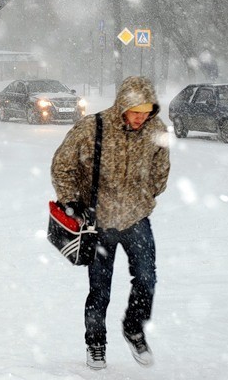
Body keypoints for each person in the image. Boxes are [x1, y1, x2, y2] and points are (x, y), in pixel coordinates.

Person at [51, 76, 170, 371]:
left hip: (135, 219)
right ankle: (95, 343)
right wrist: (70, 200)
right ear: (122, 107)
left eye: (146, 111)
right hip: (99, 222)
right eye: (135, 111)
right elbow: (62, 164)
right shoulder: (93, 127)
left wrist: (144, 197)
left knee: (147, 278)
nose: (141, 117)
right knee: (100, 288)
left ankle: (134, 329)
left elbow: (161, 170)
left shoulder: (156, 130)